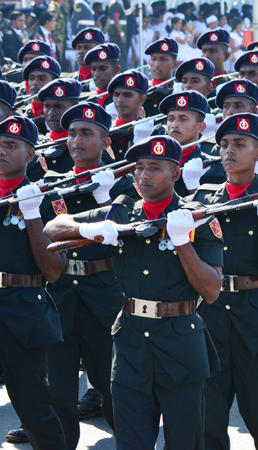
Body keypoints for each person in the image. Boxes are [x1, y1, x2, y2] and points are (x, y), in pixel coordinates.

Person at [44, 134, 224, 449]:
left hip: (180, 343)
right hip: (130, 343)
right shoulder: (123, 212)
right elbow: (52, 228)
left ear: (175, 173)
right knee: (130, 441)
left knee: (184, 441)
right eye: (139, 167)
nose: (143, 175)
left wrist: (182, 242)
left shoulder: (196, 217)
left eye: (154, 168)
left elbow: (211, 290)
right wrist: (87, 229)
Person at [193, 113, 258, 450]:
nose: (229, 151)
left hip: (256, 315)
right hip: (211, 313)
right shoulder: (203, 199)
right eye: (224, 145)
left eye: (239, 144)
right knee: (207, 424)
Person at [41, 100, 136, 450]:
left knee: (112, 383)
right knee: (58, 387)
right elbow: (46, 231)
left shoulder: (124, 185)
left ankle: (129, 442)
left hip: (103, 291)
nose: (77, 140)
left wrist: (104, 196)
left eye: (87, 133)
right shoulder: (52, 184)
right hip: (60, 291)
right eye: (72, 134)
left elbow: (123, 228)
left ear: (106, 142)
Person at [0, 115, 67, 450]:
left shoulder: (47, 199)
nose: (1, 151)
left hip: (22, 312)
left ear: (30, 155)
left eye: (10, 145)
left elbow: (53, 271)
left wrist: (32, 215)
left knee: (33, 408)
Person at [158, 90, 226, 196]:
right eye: (171, 119)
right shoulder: (154, 161)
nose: (174, 125)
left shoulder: (213, 167)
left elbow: (215, 204)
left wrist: (193, 187)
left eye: (183, 119)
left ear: (200, 127)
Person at [105, 70, 153, 163]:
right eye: (116, 95)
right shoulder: (103, 132)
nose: (120, 100)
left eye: (127, 95)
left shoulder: (151, 132)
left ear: (141, 100)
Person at [143, 37, 180, 118]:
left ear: (175, 65)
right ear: (149, 63)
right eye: (154, 59)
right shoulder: (141, 90)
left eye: (163, 59)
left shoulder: (178, 92)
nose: (156, 64)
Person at [84, 43, 121, 108]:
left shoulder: (124, 100)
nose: (96, 74)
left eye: (103, 69)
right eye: (93, 69)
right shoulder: (85, 100)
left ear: (116, 70)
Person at [106, 0, 127, 68]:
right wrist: (121, 35)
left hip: (117, 34)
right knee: (120, 55)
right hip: (117, 35)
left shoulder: (118, 3)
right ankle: (121, 71)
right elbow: (116, 20)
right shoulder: (115, 4)